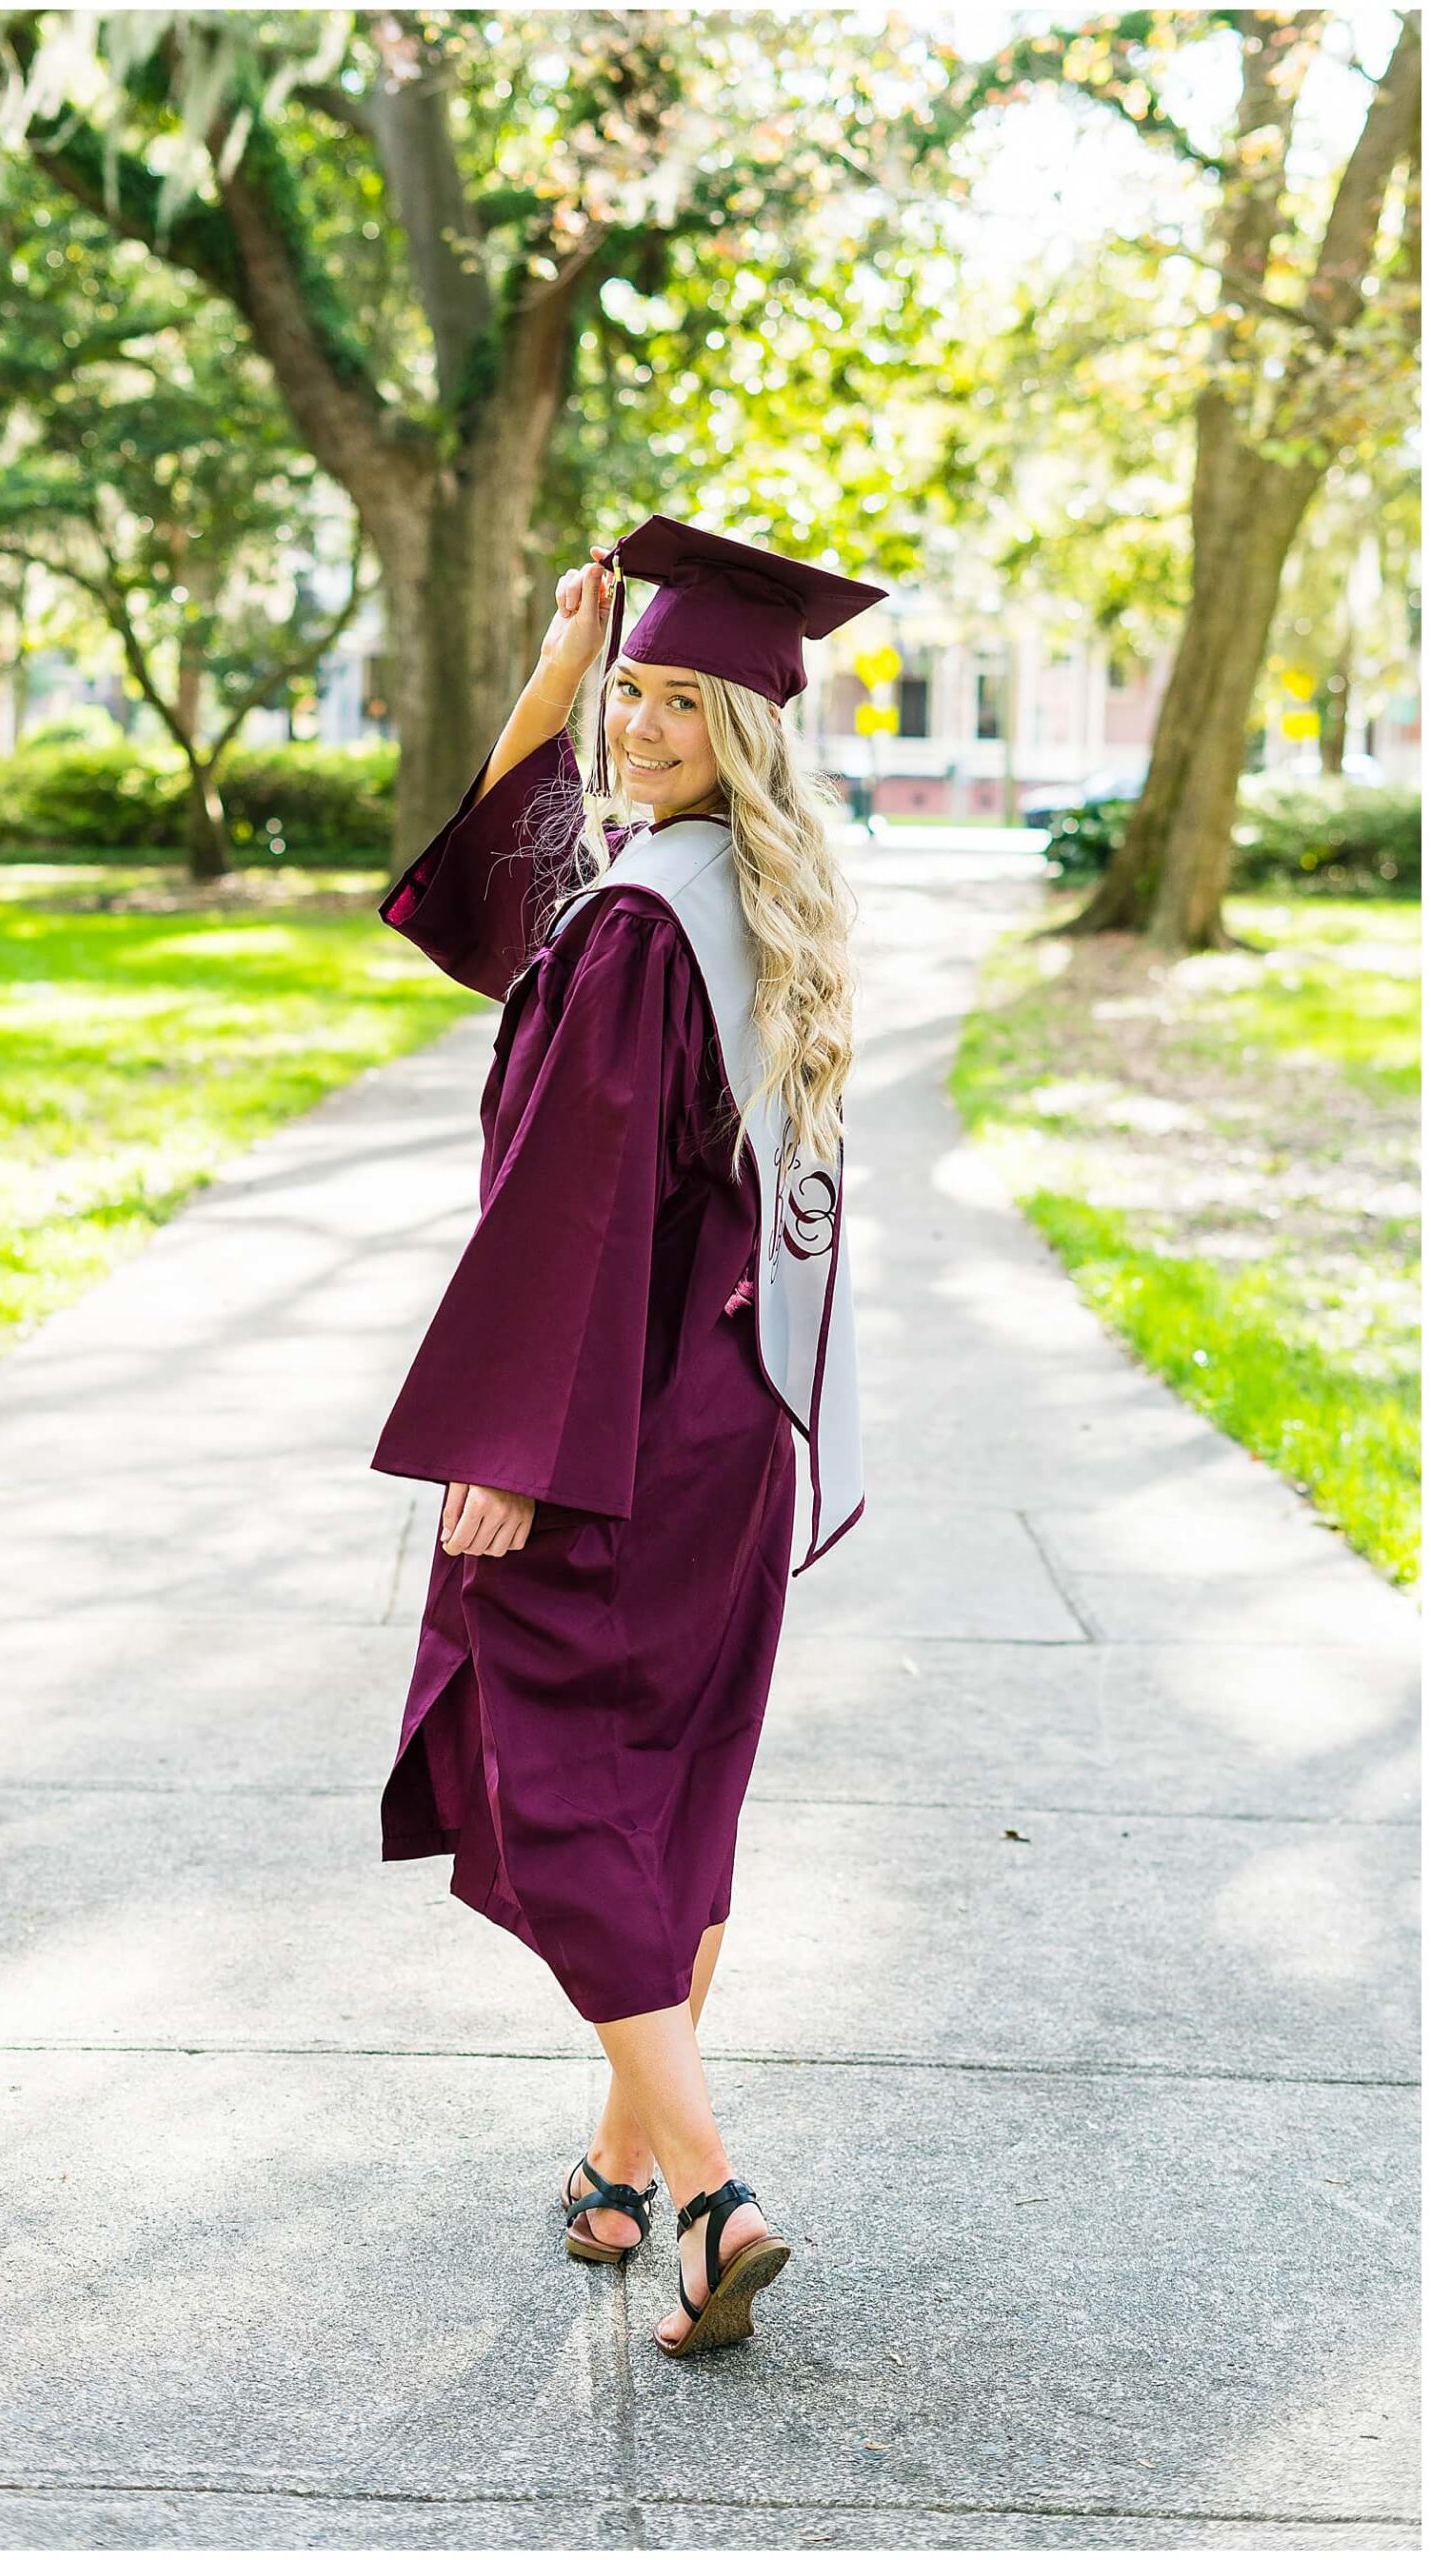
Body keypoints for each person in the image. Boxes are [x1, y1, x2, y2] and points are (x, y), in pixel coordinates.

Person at [369, 514, 887, 2357]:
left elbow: (573, 1213)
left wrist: (501, 1447)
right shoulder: (749, 908)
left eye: (681, 703)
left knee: (551, 1774)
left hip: (607, 1427)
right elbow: (507, 901)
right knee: (672, 1789)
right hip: (729, 1428)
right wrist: (557, 676)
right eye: (637, 696)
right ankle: (619, 2168)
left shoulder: (644, 935)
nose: (645, 729)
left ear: (745, 726)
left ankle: (714, 2183)